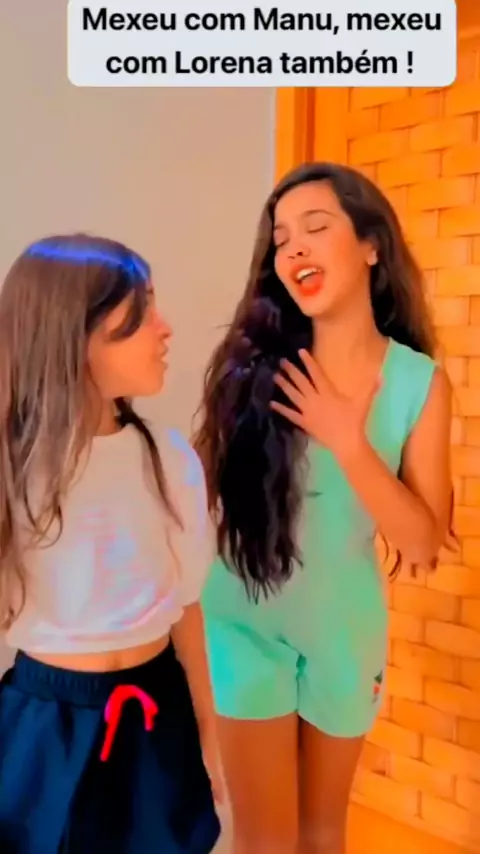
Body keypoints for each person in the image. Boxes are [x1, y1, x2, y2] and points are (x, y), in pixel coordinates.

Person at [193, 162, 452, 854]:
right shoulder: (251, 367)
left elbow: (422, 543)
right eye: (281, 239)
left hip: (344, 627)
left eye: (315, 227)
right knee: (267, 841)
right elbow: (192, 492)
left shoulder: (418, 382)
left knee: (320, 835)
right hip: (242, 619)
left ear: (371, 245)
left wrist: (347, 441)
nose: (294, 248)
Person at [0, 234, 222, 853]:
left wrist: (209, 728)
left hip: (157, 712)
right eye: (141, 312)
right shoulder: (12, 471)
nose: (165, 328)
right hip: (46, 724)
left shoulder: (168, 460)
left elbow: (187, 607)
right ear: (75, 336)